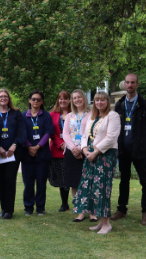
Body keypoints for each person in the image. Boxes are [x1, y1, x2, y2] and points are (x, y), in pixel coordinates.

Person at [74, 90, 121, 235]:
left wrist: (96, 152)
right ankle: (101, 221)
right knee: (92, 188)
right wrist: (85, 150)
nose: (99, 103)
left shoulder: (112, 116)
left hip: (105, 156)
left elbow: (111, 137)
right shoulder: (92, 117)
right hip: (91, 156)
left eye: (103, 100)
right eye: (97, 100)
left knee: (102, 189)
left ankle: (107, 224)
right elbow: (84, 136)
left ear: (107, 101)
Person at [114, 73, 146, 226]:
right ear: (124, 84)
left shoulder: (145, 105)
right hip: (123, 150)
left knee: (145, 181)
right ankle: (121, 210)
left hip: (139, 150)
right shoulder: (119, 105)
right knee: (123, 181)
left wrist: (142, 140)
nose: (130, 85)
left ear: (137, 84)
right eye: (127, 82)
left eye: (133, 82)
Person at [21, 90, 54, 217]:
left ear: (42, 102)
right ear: (29, 100)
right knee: (28, 183)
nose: (36, 101)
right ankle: (28, 207)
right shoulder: (23, 116)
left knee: (41, 182)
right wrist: (29, 146)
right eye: (33, 99)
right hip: (27, 154)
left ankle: (40, 207)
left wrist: (38, 147)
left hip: (42, 154)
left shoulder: (46, 115)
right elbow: (21, 133)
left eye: (38, 99)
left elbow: (48, 132)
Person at [61, 91, 91, 222]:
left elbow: (90, 132)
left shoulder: (91, 114)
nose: (77, 100)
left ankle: (91, 211)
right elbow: (65, 133)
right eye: (74, 98)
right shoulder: (69, 115)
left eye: (79, 97)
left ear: (84, 98)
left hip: (86, 151)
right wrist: (73, 148)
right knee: (74, 183)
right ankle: (80, 211)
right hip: (71, 151)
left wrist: (80, 149)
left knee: (88, 182)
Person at [0, 88, 20, 218]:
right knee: (1, 181)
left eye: (5, 96)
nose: (3, 98)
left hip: (12, 153)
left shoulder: (16, 113)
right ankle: (3, 209)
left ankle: (9, 210)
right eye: (0, 96)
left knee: (10, 180)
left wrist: (14, 145)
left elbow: (22, 131)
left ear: (9, 99)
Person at [49, 91, 71, 213]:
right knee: (61, 178)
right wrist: (60, 144)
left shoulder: (74, 114)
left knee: (70, 176)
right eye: (60, 99)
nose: (63, 101)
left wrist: (68, 144)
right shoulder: (53, 114)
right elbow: (51, 132)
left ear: (69, 100)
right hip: (57, 150)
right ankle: (64, 203)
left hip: (72, 149)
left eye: (65, 98)